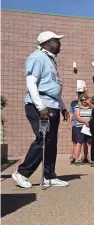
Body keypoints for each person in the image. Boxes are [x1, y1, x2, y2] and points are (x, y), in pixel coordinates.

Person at [12, 31, 69, 188]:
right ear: (46, 43)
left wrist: (63, 107)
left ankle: (49, 176)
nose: (59, 43)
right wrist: (40, 106)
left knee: (51, 142)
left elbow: (53, 87)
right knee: (43, 139)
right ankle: (22, 173)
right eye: (56, 40)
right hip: (41, 106)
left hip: (53, 106)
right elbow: (31, 83)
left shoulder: (50, 60)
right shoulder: (36, 57)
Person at [73, 93, 93, 165]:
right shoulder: (77, 107)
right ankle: (77, 159)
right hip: (80, 127)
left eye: (85, 99)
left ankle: (89, 159)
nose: (84, 101)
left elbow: (93, 116)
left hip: (89, 127)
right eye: (82, 100)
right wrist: (85, 121)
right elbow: (77, 117)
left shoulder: (91, 107)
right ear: (80, 100)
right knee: (79, 143)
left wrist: (90, 122)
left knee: (89, 143)